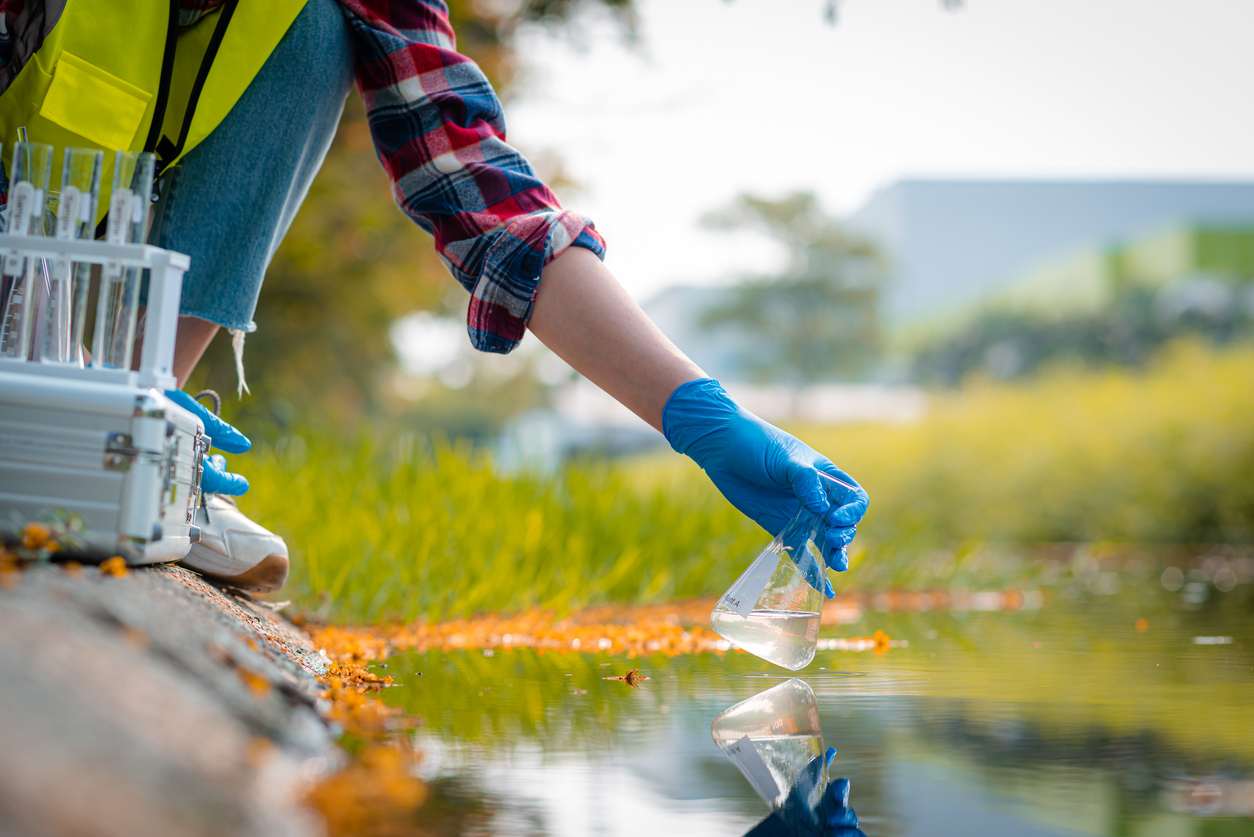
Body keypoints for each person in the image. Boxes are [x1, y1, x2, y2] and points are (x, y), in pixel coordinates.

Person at [0, 0, 869, 593]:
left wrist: (700, 416)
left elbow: (475, 185)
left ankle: (146, 437)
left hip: (77, 284)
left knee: (309, 27)